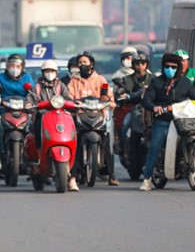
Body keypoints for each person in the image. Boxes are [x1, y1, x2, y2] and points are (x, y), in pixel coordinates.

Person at [138, 52, 195, 191]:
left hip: (183, 120)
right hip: (163, 120)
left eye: (173, 67)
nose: (170, 69)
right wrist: (155, 107)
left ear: (178, 68)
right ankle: (147, 179)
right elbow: (146, 100)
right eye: (167, 66)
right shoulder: (156, 82)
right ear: (163, 67)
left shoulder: (185, 83)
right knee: (155, 146)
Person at [26, 59, 78, 192]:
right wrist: (30, 105)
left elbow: (68, 99)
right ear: (43, 73)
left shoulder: (61, 86)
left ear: (56, 73)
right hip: (43, 116)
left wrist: (73, 104)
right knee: (37, 128)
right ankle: (39, 155)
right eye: (47, 71)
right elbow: (30, 100)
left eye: (52, 71)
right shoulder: (37, 87)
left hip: (60, 116)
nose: (50, 74)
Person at [67, 52, 118, 186]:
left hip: (98, 114)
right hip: (80, 115)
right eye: (80, 63)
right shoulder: (74, 81)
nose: (82, 65)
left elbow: (109, 97)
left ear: (91, 64)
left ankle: (111, 175)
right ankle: (73, 173)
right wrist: (72, 104)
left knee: (106, 141)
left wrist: (109, 102)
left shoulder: (100, 80)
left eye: (85, 62)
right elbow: (69, 97)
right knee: (75, 141)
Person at [114, 51, 154, 151]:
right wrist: (122, 95)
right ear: (133, 65)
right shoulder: (126, 79)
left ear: (147, 64)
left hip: (150, 110)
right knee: (125, 125)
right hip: (133, 109)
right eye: (137, 63)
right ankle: (123, 146)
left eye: (143, 63)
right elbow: (119, 93)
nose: (140, 66)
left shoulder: (154, 79)